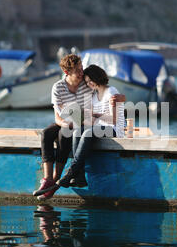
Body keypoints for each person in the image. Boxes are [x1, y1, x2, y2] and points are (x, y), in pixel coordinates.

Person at [33, 54, 125, 200]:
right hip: (74, 122)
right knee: (48, 133)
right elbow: (58, 115)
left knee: (80, 131)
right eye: (78, 70)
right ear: (67, 72)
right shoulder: (60, 87)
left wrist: (121, 98)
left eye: (82, 69)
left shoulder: (97, 88)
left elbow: (112, 113)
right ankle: (53, 179)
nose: (82, 74)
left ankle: (70, 173)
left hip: (107, 127)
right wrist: (68, 123)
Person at [56, 64, 125, 189]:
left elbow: (113, 119)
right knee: (78, 130)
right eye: (87, 82)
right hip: (99, 129)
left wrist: (94, 114)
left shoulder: (111, 91)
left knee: (88, 133)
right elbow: (92, 121)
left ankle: (72, 171)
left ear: (97, 77)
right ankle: (80, 177)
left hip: (115, 129)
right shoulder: (93, 95)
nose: (89, 84)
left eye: (90, 81)